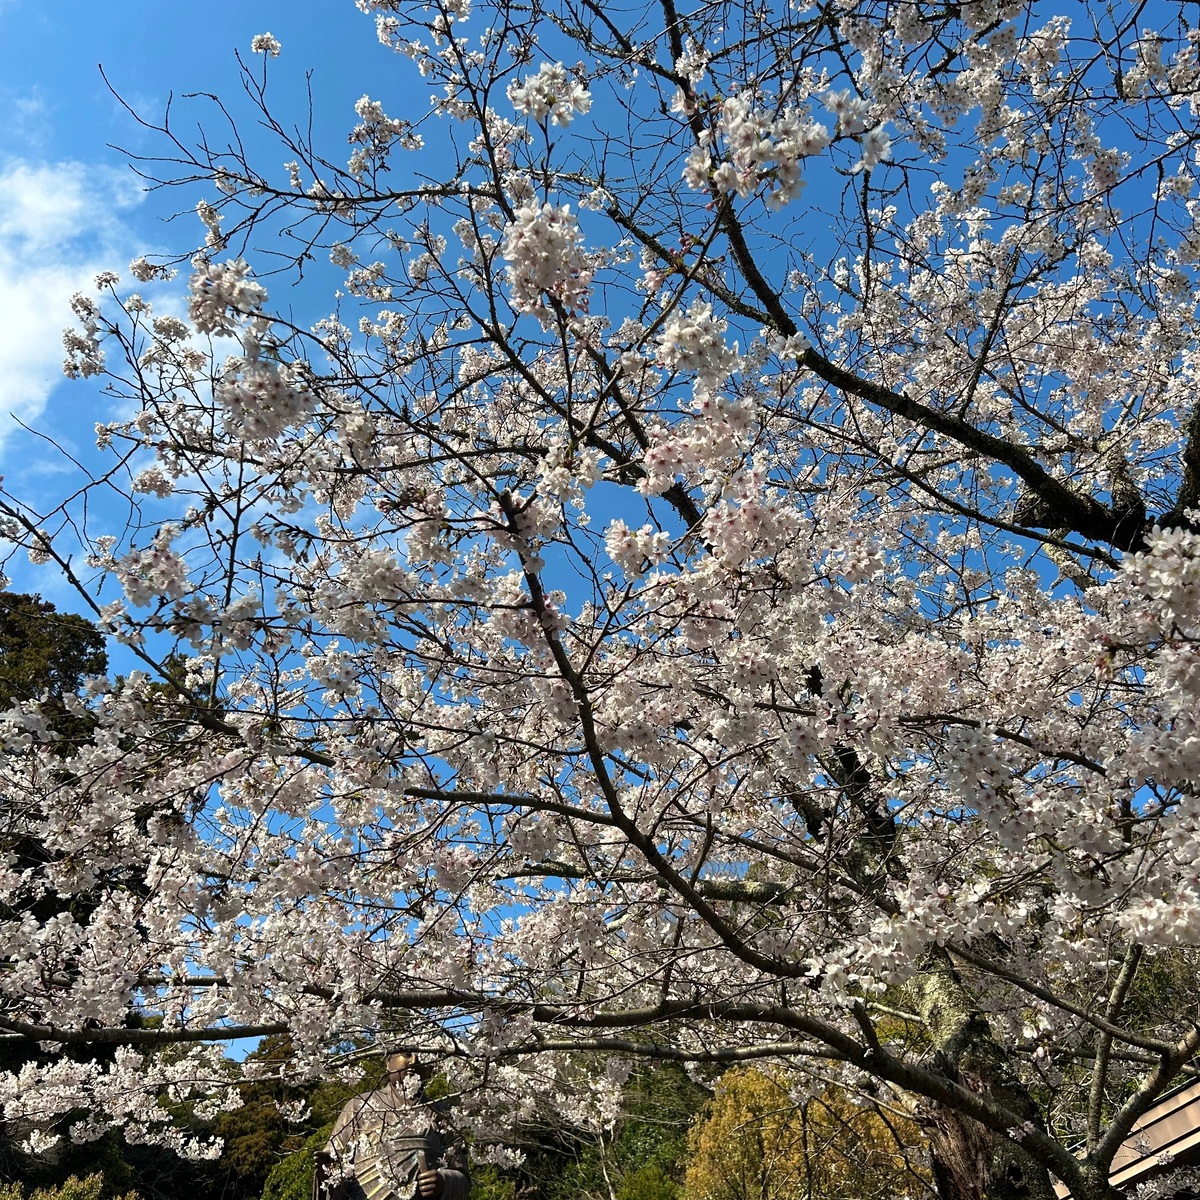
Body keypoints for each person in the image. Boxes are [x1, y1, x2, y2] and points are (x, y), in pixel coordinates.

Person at [313, 1051, 470, 1200]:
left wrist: (444, 1181)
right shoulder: (359, 1107)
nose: (414, 1061)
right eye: (407, 1054)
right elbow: (334, 1163)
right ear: (389, 1062)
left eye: (423, 1055)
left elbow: (463, 1178)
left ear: (432, 1068)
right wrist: (328, 1171)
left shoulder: (443, 1114)